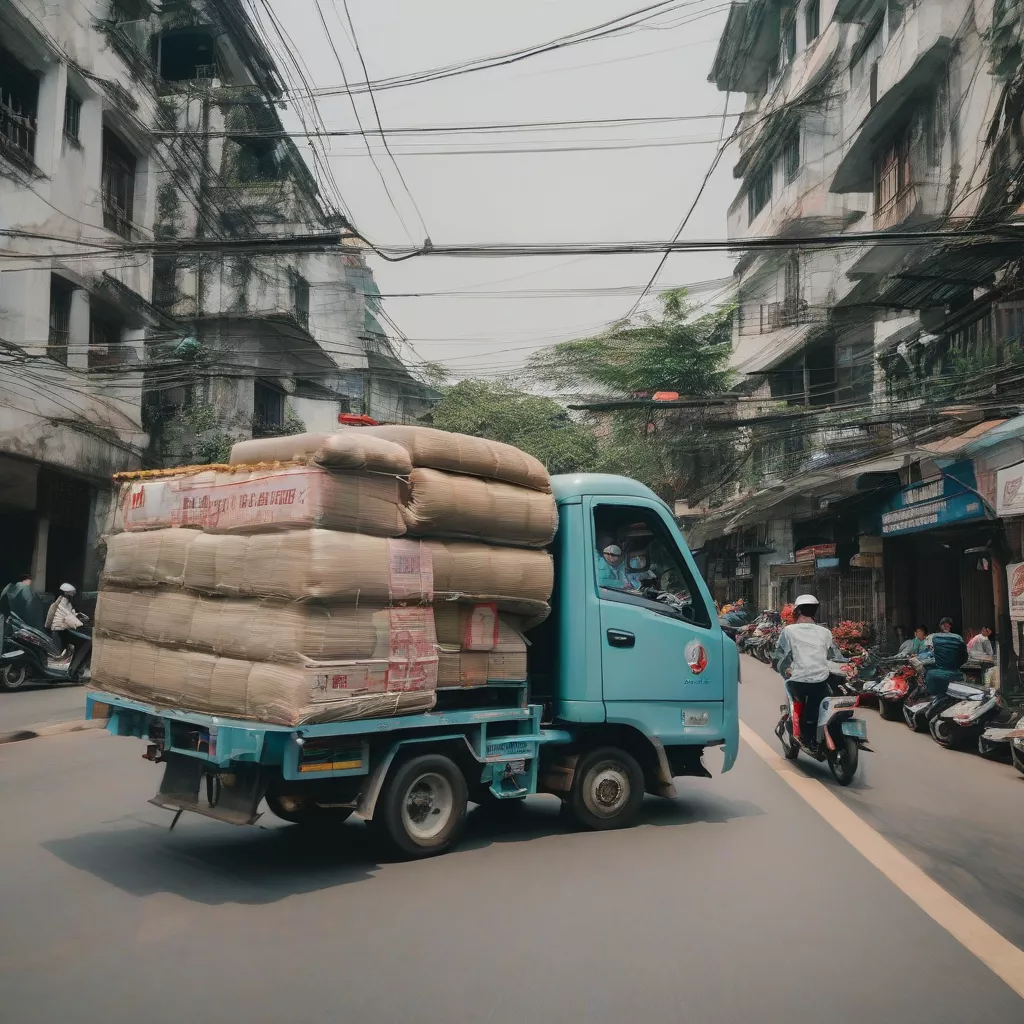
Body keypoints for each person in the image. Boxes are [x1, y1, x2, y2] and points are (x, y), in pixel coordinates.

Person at [774, 594, 847, 748]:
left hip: (798, 681)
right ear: (815, 611)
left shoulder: (789, 631)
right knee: (820, 701)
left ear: (797, 611)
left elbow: (780, 656)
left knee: (800, 703)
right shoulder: (825, 632)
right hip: (821, 681)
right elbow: (835, 656)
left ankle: (806, 737)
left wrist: (784, 671)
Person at [919, 617, 969, 696]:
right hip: (953, 672)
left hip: (941, 672)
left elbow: (930, 654)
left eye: (948, 625)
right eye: (945, 625)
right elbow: (964, 657)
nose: (946, 626)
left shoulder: (934, 637)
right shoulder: (958, 638)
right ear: (941, 626)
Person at [44, 583, 87, 658]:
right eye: (72, 592)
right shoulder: (63, 601)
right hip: (58, 629)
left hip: (61, 628)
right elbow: (67, 615)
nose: (73, 593)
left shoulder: (64, 600)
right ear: (68, 592)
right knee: (57, 652)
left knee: (60, 650)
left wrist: (77, 615)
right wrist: (79, 623)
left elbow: (69, 612)